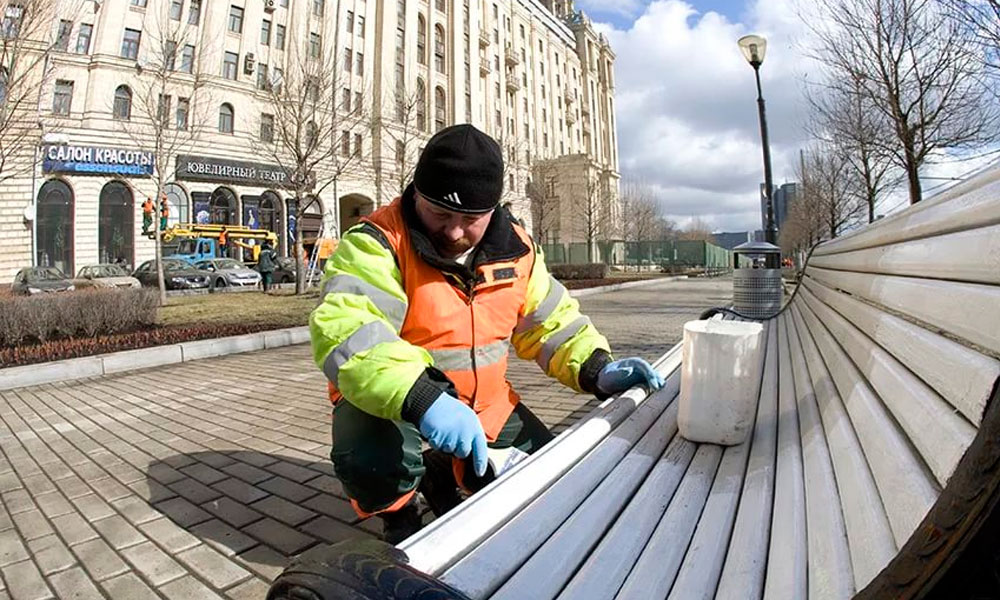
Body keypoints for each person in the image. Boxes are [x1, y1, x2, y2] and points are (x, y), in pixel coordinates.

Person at [309, 124, 664, 544]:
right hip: (396, 405)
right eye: (440, 214)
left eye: (471, 219)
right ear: (416, 195)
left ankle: (443, 471)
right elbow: (351, 330)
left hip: (487, 408)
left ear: (493, 210)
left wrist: (596, 367)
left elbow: (551, 322)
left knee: (543, 478)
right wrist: (424, 400)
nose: (456, 232)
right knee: (368, 455)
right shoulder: (376, 243)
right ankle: (401, 517)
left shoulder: (517, 248)